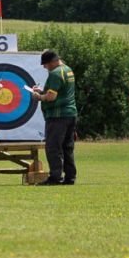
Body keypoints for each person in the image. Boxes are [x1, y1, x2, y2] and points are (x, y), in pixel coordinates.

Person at [35, 50, 77, 185]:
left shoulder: (55, 74)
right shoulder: (68, 70)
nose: (44, 67)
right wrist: (42, 91)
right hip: (71, 114)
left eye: (45, 64)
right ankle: (70, 177)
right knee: (67, 147)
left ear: (53, 62)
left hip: (57, 116)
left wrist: (39, 96)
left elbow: (51, 97)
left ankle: (55, 177)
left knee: (53, 147)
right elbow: (61, 92)